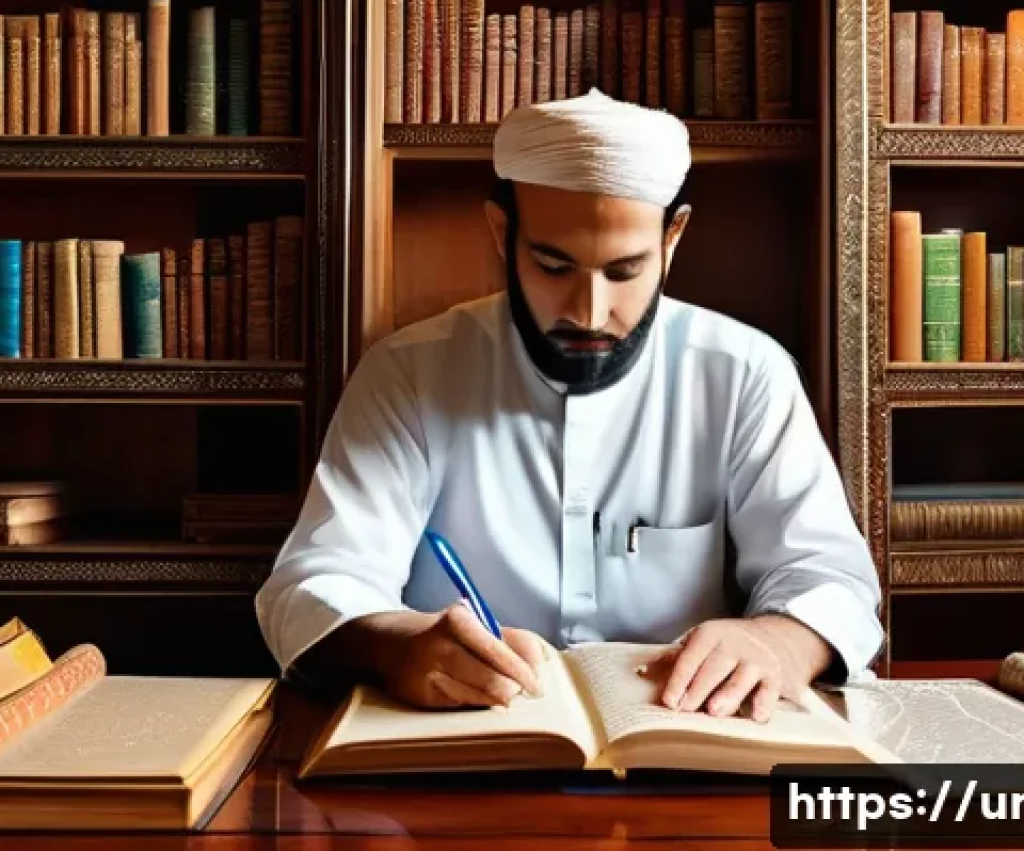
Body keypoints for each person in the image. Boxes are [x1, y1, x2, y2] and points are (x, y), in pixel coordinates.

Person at [255, 88, 884, 724]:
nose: (588, 310)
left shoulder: (745, 374)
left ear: (673, 239)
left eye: (625, 270)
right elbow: (313, 583)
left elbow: (832, 580)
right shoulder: (409, 374)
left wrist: (773, 642)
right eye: (553, 266)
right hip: (457, 752)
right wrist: (396, 646)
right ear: (503, 235)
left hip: (684, 749)